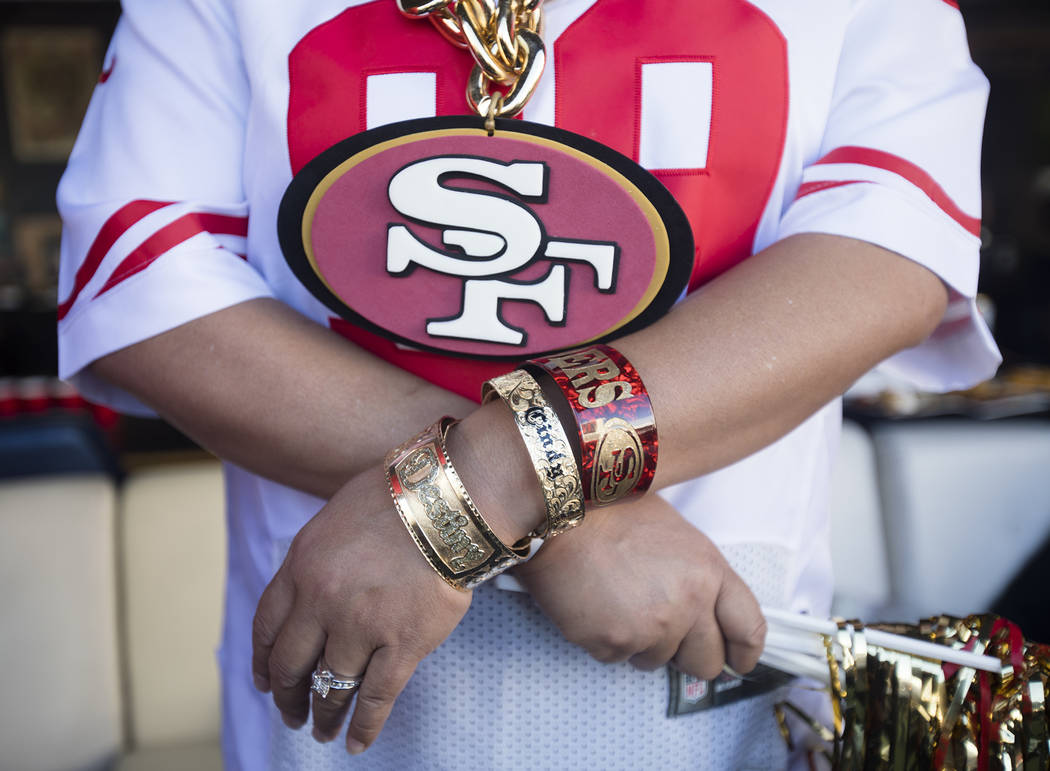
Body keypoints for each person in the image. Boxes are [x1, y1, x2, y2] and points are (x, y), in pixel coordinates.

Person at [57, 0, 999, 768]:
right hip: (337, 700)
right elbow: (139, 280)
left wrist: (498, 476)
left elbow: (891, 257)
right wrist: (550, 513)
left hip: (707, 689)